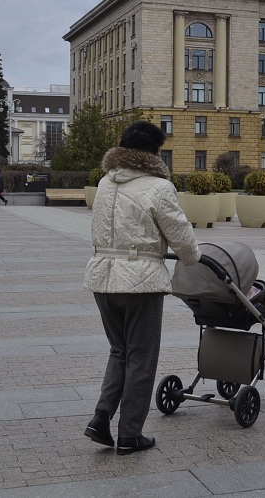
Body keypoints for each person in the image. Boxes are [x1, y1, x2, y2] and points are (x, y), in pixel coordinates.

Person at [83, 121, 201, 456]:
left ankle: (101, 418)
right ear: (154, 152)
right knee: (141, 357)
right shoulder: (159, 187)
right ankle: (130, 435)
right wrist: (193, 257)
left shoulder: (106, 182)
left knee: (119, 351)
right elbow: (180, 235)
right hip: (140, 283)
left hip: (103, 279)